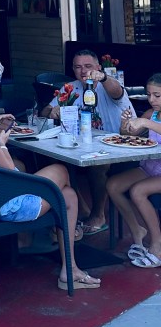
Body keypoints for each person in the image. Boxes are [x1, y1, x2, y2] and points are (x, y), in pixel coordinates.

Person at [0, 73, 98, 291]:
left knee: (69, 196)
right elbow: (9, 169)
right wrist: (1, 142)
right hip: (9, 206)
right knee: (61, 170)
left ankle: (70, 269)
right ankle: (66, 246)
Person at [43, 48, 135, 236]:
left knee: (97, 165)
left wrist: (103, 78)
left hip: (120, 146)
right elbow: (44, 111)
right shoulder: (70, 88)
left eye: (88, 66)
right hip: (84, 145)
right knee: (55, 161)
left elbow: (117, 91)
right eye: (78, 67)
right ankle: (81, 208)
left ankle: (98, 215)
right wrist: (52, 112)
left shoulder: (108, 84)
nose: (83, 71)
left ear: (98, 67)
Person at [106, 73, 161, 267]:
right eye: (149, 95)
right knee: (113, 185)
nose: (152, 99)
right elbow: (128, 134)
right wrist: (126, 123)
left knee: (138, 191)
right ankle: (138, 231)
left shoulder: (149, 119)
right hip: (150, 167)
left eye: (157, 95)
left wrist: (145, 123)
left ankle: (157, 245)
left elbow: (146, 125)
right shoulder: (151, 114)